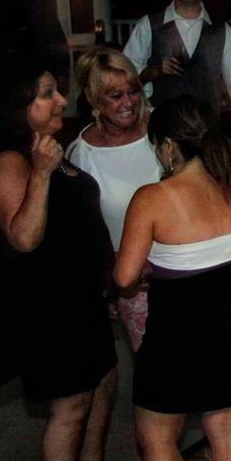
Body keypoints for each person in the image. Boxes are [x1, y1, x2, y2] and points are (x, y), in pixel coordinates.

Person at [0, 64, 124, 461]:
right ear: (17, 109)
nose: (61, 100)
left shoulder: (49, 151)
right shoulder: (8, 163)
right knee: (70, 406)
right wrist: (39, 174)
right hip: (44, 303)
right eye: (46, 95)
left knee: (101, 384)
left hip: (79, 292)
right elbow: (24, 237)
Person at [113, 96, 231, 461]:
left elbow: (125, 276)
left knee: (157, 438)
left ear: (170, 146)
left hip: (177, 337)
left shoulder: (153, 198)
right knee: (226, 428)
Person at [66, 49, 161, 350]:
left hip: (183, 265)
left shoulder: (164, 128)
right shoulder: (82, 154)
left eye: (133, 91)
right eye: (115, 96)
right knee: (154, 367)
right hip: (131, 280)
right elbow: (83, 231)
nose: (129, 103)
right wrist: (106, 285)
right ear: (94, 101)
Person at [122, 0, 231, 114]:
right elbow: (126, 76)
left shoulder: (221, 30)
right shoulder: (149, 25)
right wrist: (157, 70)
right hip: (162, 123)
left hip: (207, 125)